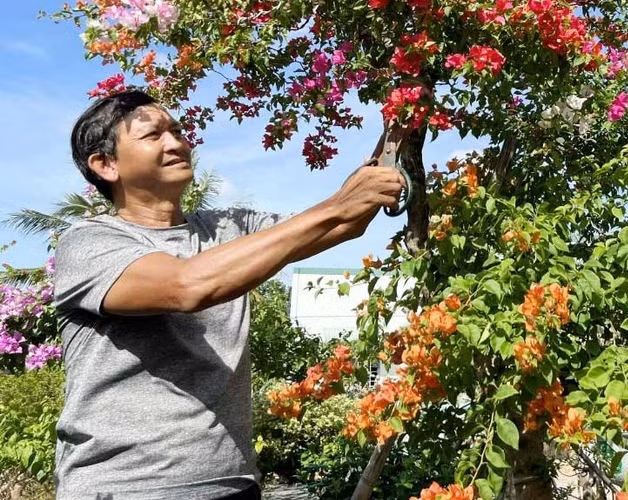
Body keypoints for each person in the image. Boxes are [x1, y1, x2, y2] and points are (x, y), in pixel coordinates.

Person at [52, 89, 405, 500]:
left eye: (178, 131)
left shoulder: (229, 227)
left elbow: (341, 222)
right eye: (154, 136)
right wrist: (336, 207)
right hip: (125, 487)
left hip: (231, 484)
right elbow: (185, 287)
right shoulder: (90, 241)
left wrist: (401, 121)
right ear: (105, 164)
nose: (177, 143)